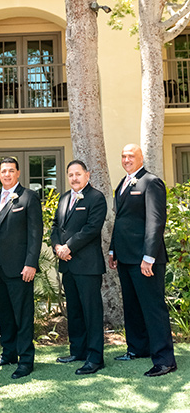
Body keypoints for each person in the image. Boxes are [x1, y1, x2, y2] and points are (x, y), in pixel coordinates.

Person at [109, 144, 176, 376]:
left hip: (146, 259)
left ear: (141, 158)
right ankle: (138, 348)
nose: (127, 159)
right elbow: (121, 220)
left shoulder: (151, 182)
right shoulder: (123, 183)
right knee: (133, 306)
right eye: (124, 156)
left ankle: (165, 359)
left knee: (153, 308)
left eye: (131, 156)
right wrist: (112, 250)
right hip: (126, 257)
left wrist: (149, 256)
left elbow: (155, 222)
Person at [0, 157, 43, 379]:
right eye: (3, 171)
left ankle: (26, 359)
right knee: (5, 313)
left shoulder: (29, 197)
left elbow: (35, 234)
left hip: (20, 268)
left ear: (18, 173)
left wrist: (31, 263)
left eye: (11, 171)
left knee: (23, 314)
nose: (6, 174)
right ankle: (8, 353)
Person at [51, 160, 107, 375]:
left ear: (87, 175)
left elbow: (92, 229)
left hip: (87, 266)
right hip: (67, 265)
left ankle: (95, 358)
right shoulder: (65, 198)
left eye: (78, 174)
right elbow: (56, 226)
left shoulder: (96, 198)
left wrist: (68, 246)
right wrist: (57, 246)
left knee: (91, 312)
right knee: (74, 310)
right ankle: (78, 351)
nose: (74, 178)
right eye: (70, 174)